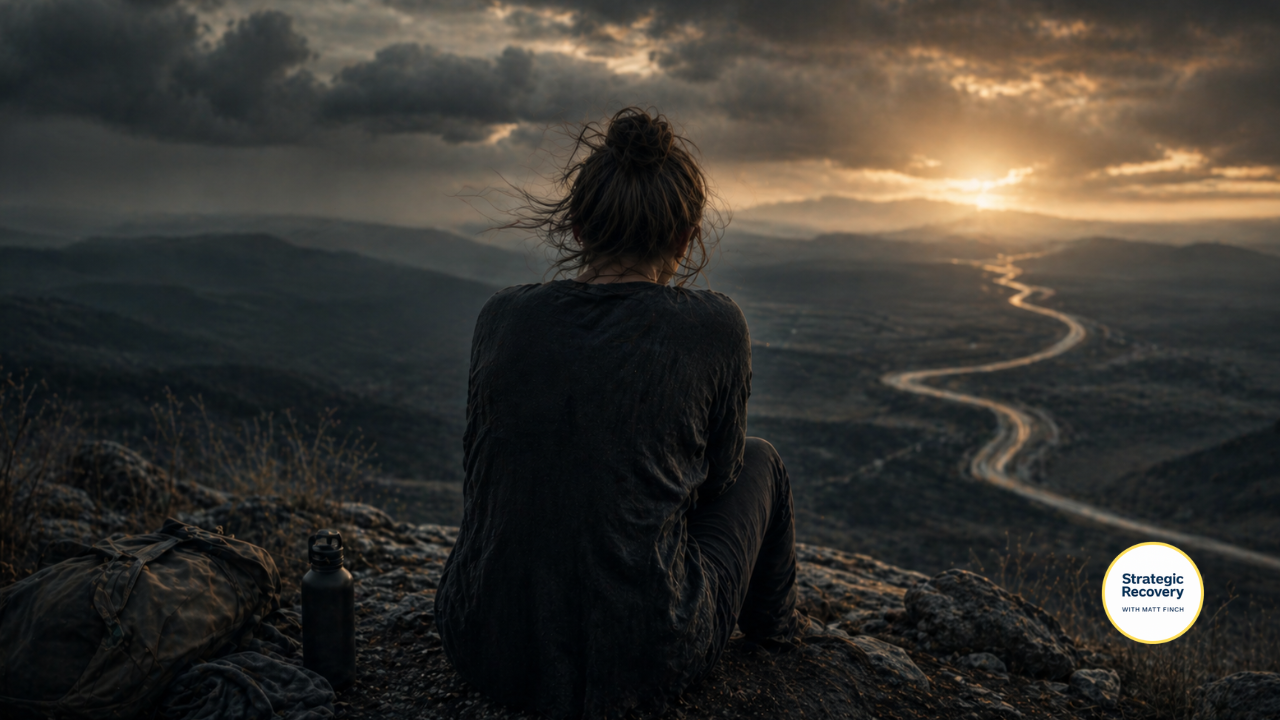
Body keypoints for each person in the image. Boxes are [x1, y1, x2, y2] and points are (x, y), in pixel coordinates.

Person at [434, 107, 828, 720]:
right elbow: (721, 480)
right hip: (645, 655)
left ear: (576, 226)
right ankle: (778, 634)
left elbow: (487, 467)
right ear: (686, 235)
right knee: (761, 461)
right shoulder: (715, 325)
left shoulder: (502, 316)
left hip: (481, 641)